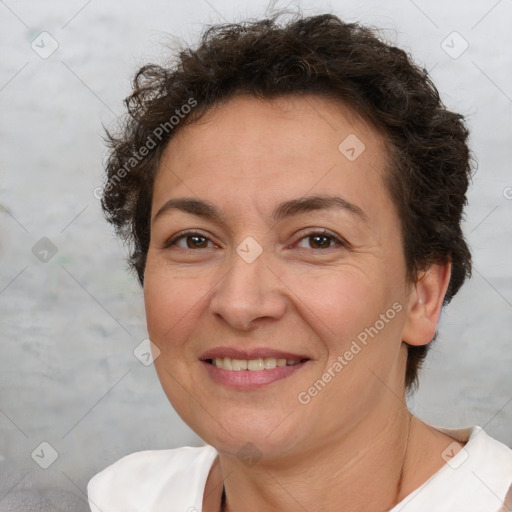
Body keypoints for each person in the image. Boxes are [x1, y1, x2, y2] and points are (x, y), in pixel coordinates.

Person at [87, 11, 512, 512]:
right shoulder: (126, 498)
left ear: (422, 295)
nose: (241, 303)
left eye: (317, 240)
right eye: (195, 240)